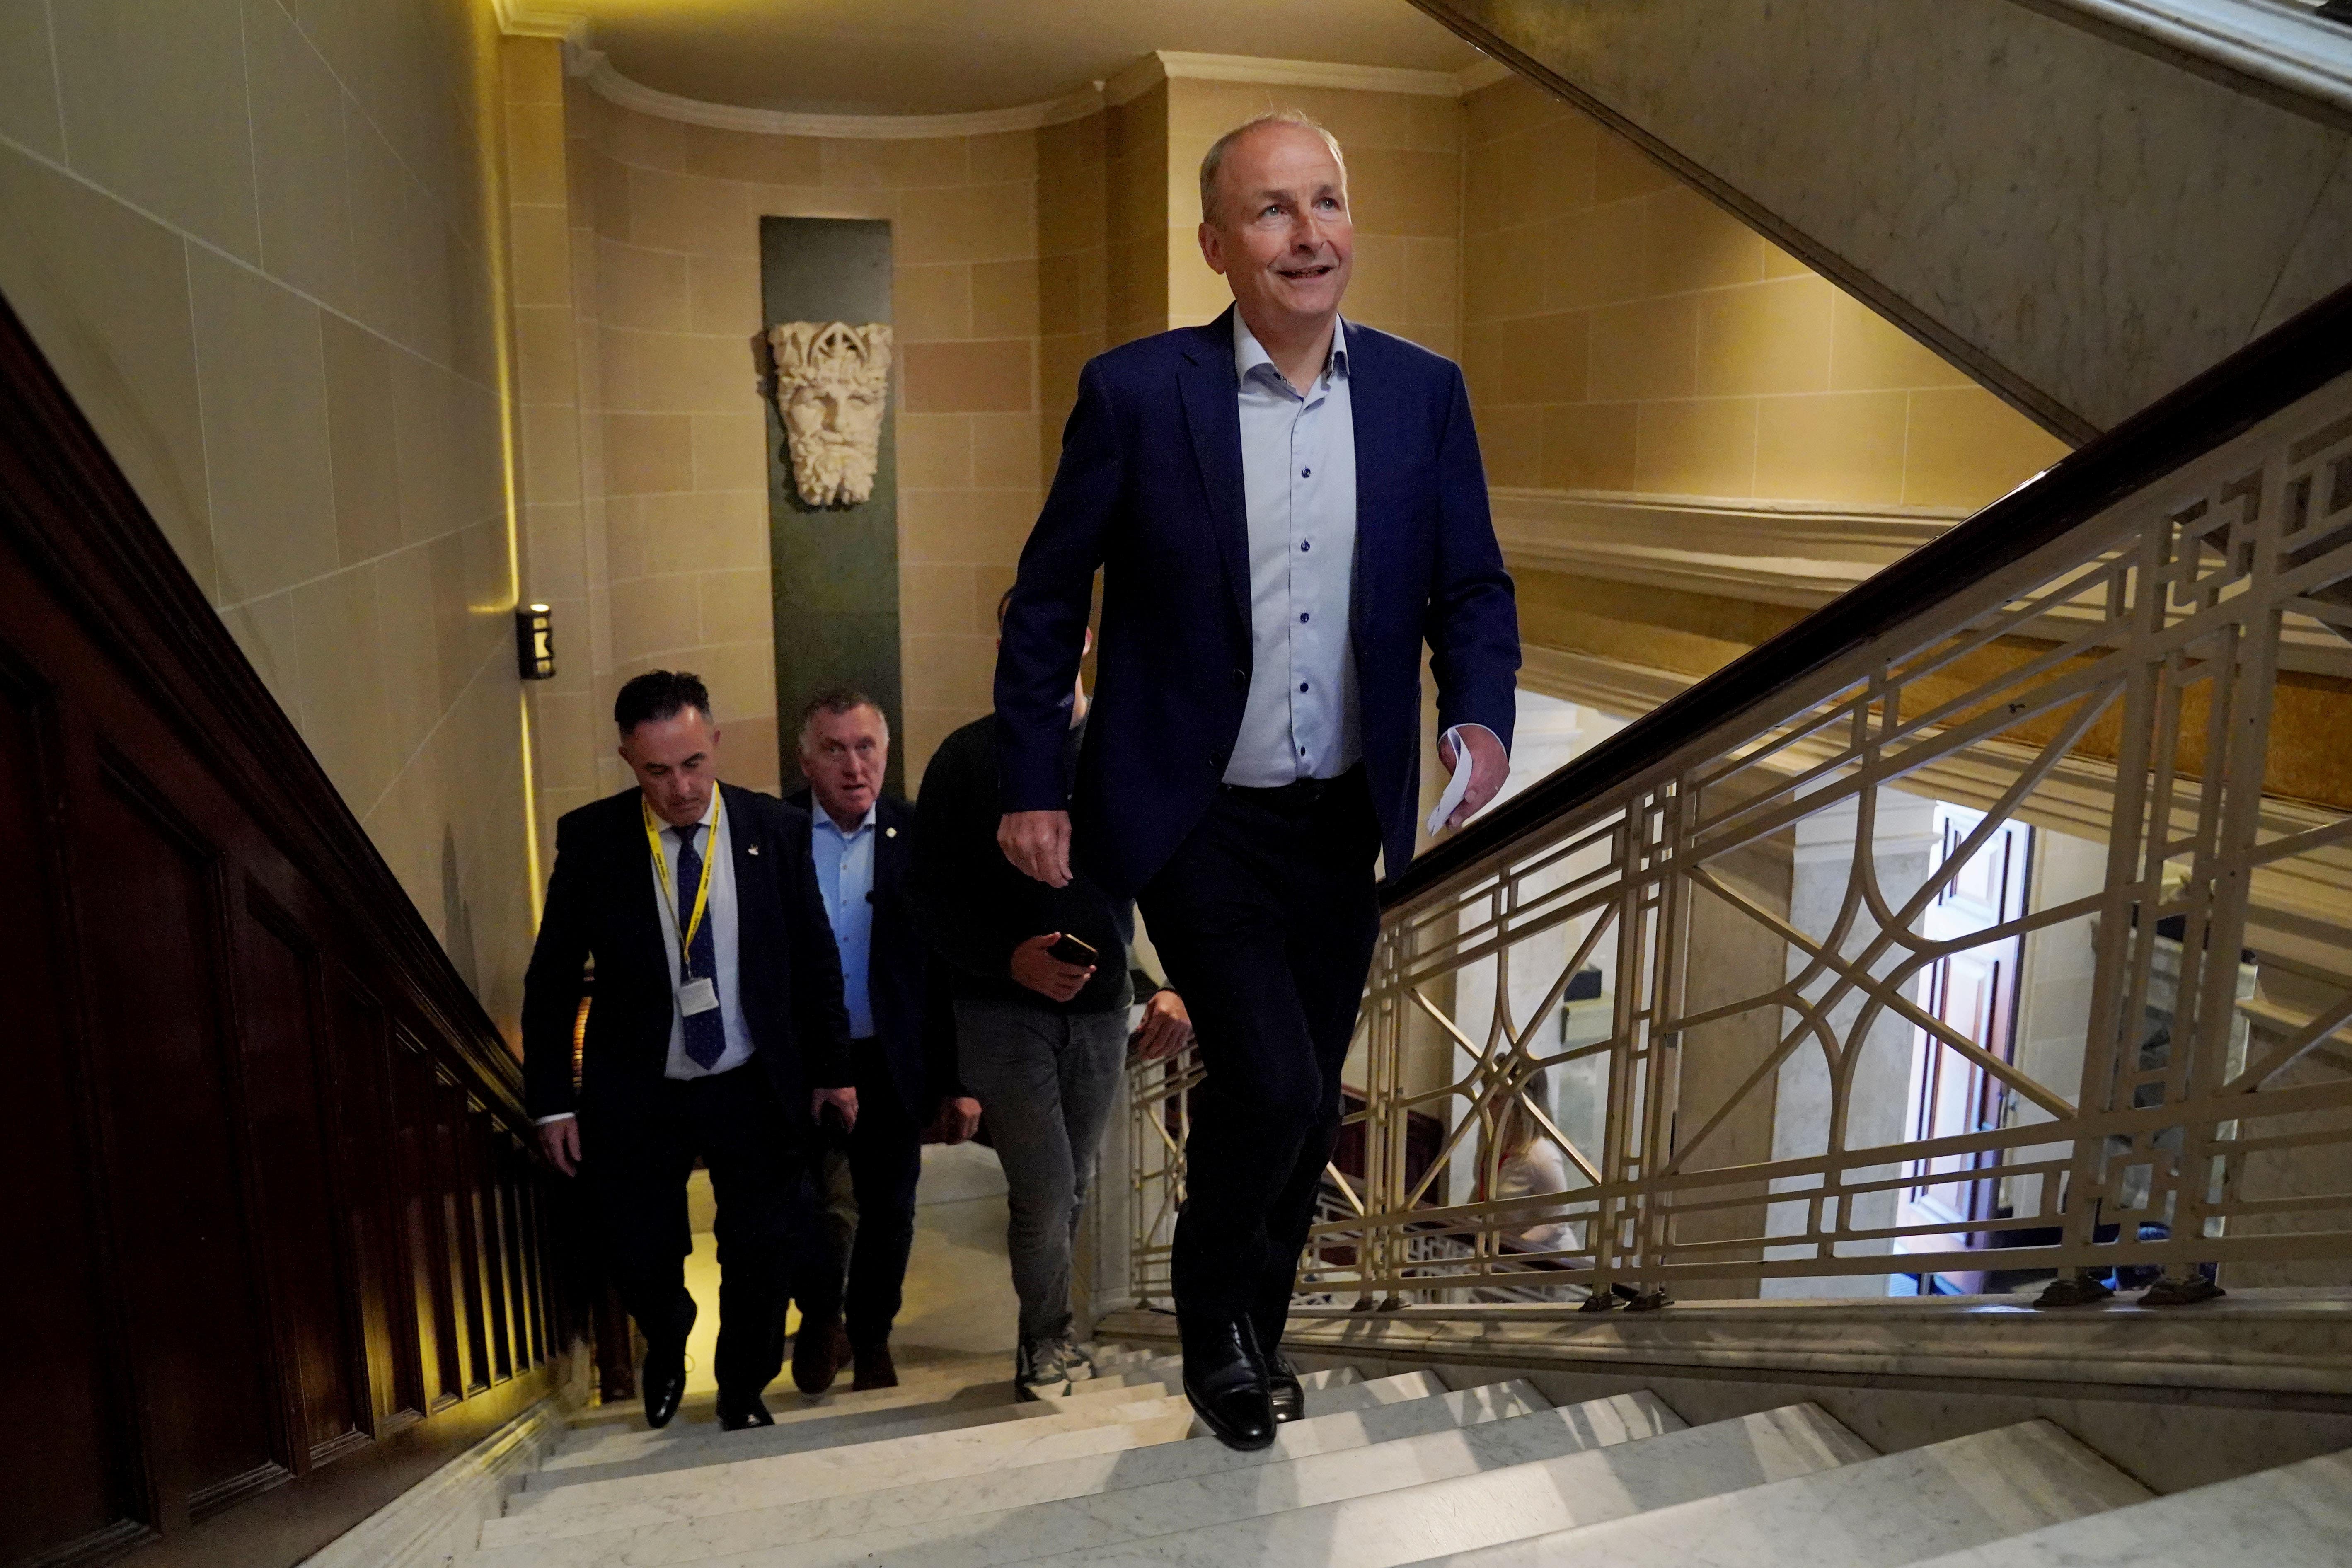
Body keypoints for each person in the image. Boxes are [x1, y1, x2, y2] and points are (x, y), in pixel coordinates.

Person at [993, 112, 1520, 1449]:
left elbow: (1470, 585)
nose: (1308, 234)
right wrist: (1033, 777)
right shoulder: (1134, 393)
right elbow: (1047, 600)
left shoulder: (1422, 393)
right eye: (1274, 211)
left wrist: (1479, 714)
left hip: (1340, 813)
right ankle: (1212, 1328)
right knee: (1280, 1087)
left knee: (1300, 1084)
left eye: (1327, 203)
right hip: (1192, 811)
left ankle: (1257, 1336)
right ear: (1217, 244)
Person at [522, 670, 855, 1432]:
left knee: (763, 1250)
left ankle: (742, 1388)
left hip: (750, 1077)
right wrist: (552, 1102)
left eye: (693, 764)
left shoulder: (773, 830)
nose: (680, 788)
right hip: (642, 1085)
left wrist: (835, 1073)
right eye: (658, 771)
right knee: (639, 1246)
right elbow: (550, 982)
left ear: (715, 742)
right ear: (628, 762)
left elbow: (815, 958)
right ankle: (667, 1336)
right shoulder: (594, 840)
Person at [915, 593, 1195, 1401]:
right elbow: (926, 903)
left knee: (1069, 1186)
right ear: (1003, 637)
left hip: (1104, 1014)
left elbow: (1176, 875)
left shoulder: (1126, 746)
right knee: (1042, 1188)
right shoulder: (966, 758)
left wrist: (1176, 983)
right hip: (1000, 1012)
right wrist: (1010, 958)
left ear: (1084, 638)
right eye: (1020, 628)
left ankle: (1045, 1334)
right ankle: (1046, 1341)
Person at [785, 689, 980, 1395]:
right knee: (802, 1205)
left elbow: (945, 969)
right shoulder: (773, 835)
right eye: (834, 749)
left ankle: (870, 1336)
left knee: (889, 1210)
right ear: (807, 759)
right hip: (801, 1063)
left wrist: (958, 1082)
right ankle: (818, 1318)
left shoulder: (918, 835)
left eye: (866, 747)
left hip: (891, 1060)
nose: (853, 765)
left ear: (887, 754)